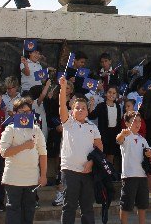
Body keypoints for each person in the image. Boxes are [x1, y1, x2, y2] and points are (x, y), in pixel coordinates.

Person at [58, 75, 103, 224]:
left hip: (88, 172)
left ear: (87, 111)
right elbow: (62, 107)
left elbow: (99, 147)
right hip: (70, 171)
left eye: (83, 108)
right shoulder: (68, 123)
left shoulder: (93, 127)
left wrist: (91, 163)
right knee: (69, 206)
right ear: (72, 110)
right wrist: (63, 88)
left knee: (87, 207)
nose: (81, 110)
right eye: (77, 108)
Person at [0, 97, 48, 224]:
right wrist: (24, 146)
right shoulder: (10, 129)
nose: (25, 114)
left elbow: (43, 154)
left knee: (29, 211)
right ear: (15, 113)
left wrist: (43, 175)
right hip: (13, 178)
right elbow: (4, 152)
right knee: (13, 211)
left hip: (31, 178)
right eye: (22, 111)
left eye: (28, 112)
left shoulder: (36, 129)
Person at [117, 111, 151, 224]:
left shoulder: (143, 139)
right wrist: (123, 134)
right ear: (126, 123)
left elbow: (150, 156)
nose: (137, 124)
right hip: (129, 176)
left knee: (142, 205)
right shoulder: (126, 137)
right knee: (126, 205)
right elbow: (118, 140)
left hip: (142, 176)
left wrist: (149, 154)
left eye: (139, 121)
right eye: (134, 121)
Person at [89, 85, 122, 164]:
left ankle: (109, 175)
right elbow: (91, 116)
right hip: (103, 134)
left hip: (114, 135)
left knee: (111, 156)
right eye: (109, 92)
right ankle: (100, 174)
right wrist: (92, 105)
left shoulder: (118, 106)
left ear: (116, 95)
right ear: (106, 94)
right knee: (102, 157)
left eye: (114, 93)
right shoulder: (101, 106)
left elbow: (118, 122)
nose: (111, 95)